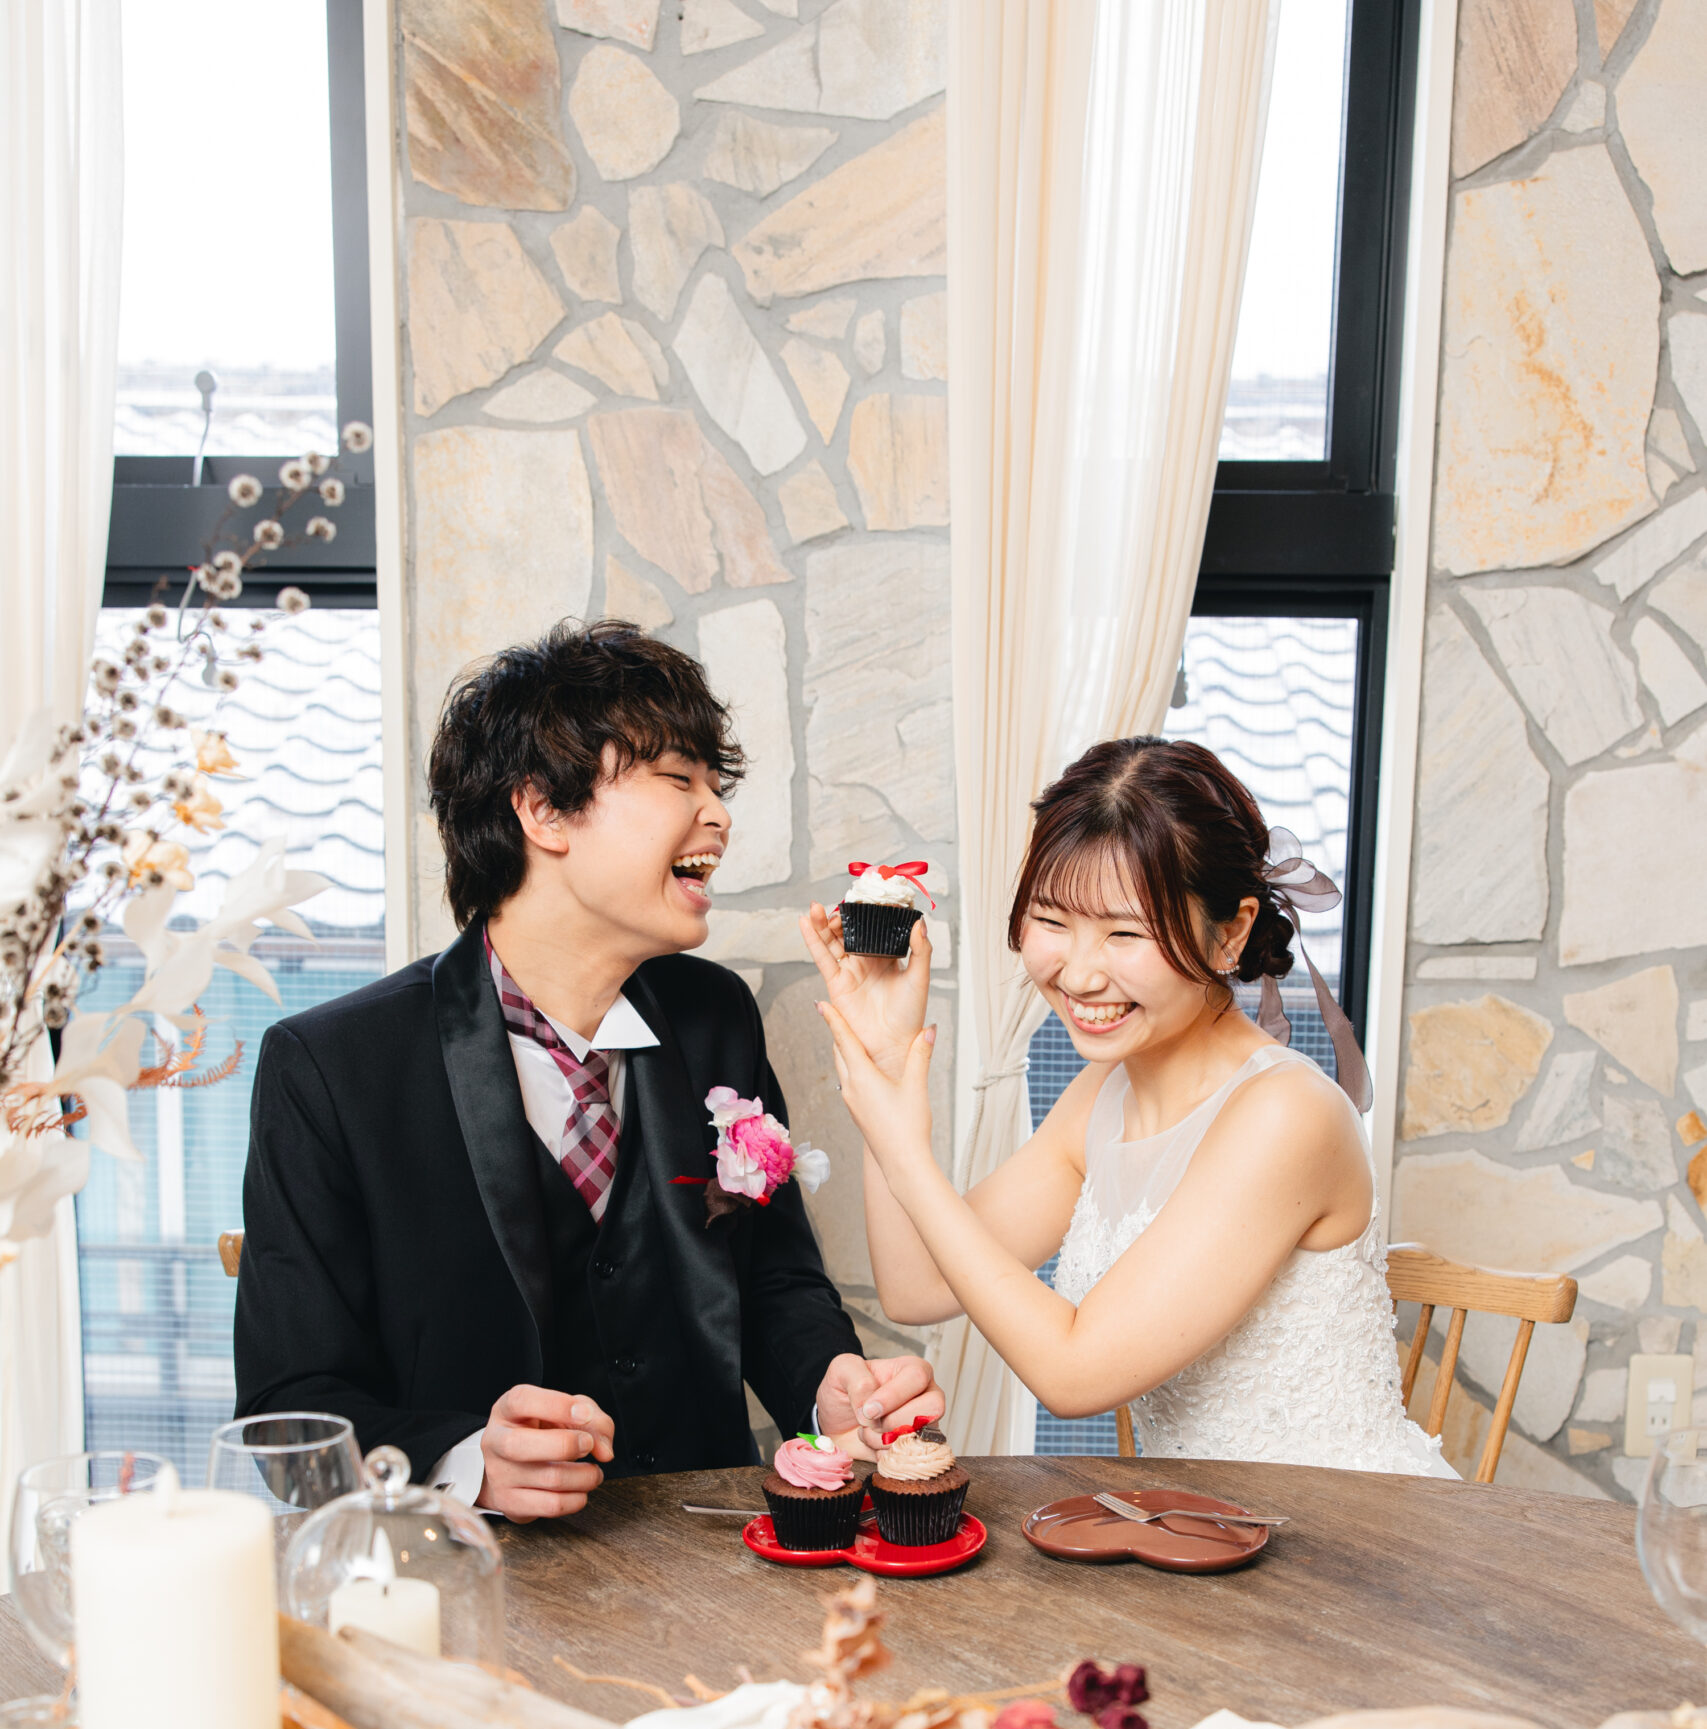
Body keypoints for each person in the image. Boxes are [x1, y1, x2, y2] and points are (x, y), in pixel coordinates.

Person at [235, 619, 942, 1519]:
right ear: (542, 810)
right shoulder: (332, 1068)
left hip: (709, 1552)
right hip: (468, 1570)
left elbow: (774, 1279)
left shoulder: (715, 1014)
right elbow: (289, 1412)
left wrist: (827, 1384)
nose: (718, 814)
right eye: (679, 779)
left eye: (716, 785)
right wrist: (467, 1464)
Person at [804, 735, 1452, 1478]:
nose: (1079, 974)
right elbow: (917, 1284)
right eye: (1051, 922)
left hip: (1337, 1524)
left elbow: (1073, 1375)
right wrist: (888, 1062)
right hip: (1195, 1522)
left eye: (1124, 932)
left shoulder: (1287, 1113)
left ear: (1231, 931)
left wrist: (905, 1151)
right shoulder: (1104, 1092)